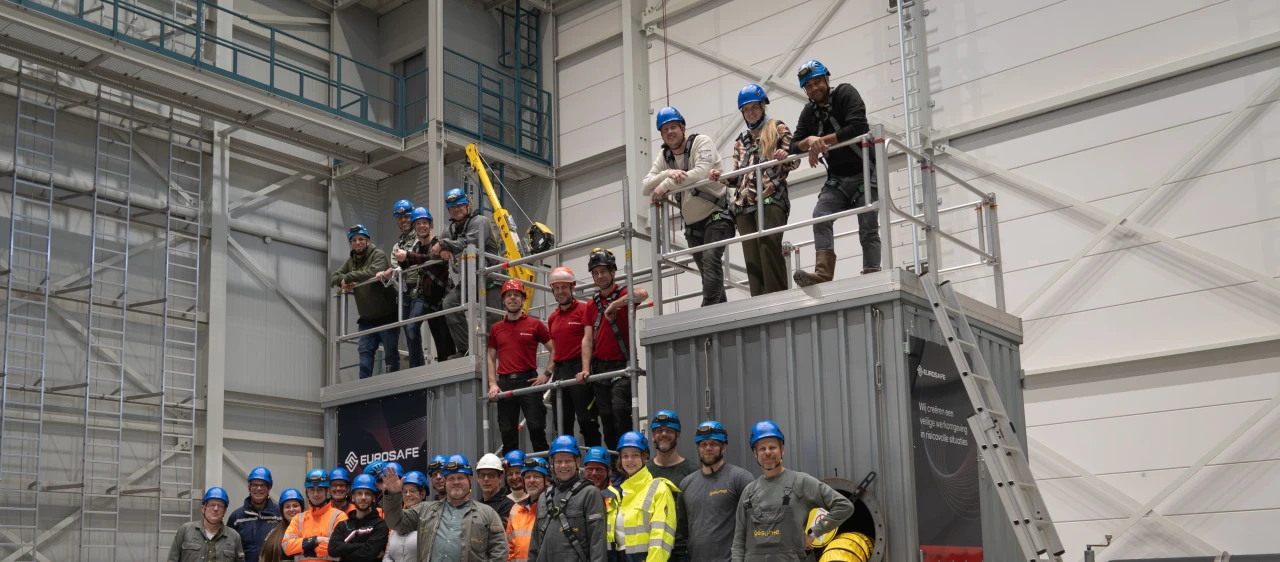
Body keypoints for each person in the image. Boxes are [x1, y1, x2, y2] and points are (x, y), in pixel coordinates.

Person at [789, 60, 880, 286]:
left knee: (868, 226)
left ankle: (872, 273)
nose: (814, 88)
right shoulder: (809, 112)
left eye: (817, 82)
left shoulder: (845, 93)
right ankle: (823, 273)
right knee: (821, 217)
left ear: (827, 79)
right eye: (808, 86)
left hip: (864, 173)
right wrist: (809, 141)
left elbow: (858, 126)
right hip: (837, 179)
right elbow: (793, 145)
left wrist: (820, 141)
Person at [642, 106, 733, 307]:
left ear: (683, 127)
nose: (670, 132)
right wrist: (668, 173)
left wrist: (665, 185)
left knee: (711, 261)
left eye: (673, 127)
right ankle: (721, 313)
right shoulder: (665, 157)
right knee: (708, 272)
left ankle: (707, 310)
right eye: (665, 130)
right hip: (693, 225)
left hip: (716, 215)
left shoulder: (701, 142)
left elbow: (701, 172)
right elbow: (645, 186)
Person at [731, 421, 855, 562]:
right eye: (762, 449)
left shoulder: (801, 482)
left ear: (782, 449)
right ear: (755, 453)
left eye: (772, 447)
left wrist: (814, 534)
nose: (767, 452)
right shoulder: (749, 491)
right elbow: (739, 540)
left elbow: (844, 506)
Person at [722, 84, 799, 296]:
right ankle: (758, 303)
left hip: (770, 198)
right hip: (745, 206)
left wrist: (785, 155)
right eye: (746, 109)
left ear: (763, 106)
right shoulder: (741, 142)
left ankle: (777, 300)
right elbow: (737, 177)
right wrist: (719, 178)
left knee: (768, 249)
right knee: (752, 258)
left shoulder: (778, 128)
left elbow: (795, 161)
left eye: (754, 107)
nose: (751, 112)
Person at [380, 455, 509, 562]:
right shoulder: (425, 510)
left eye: (460, 477)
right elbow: (396, 522)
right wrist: (393, 495)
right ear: (445, 482)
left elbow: (499, 552)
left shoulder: (488, 514)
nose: (456, 482)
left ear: (470, 480)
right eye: (451, 478)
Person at [582, 248, 647, 453]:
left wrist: (615, 305)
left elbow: (643, 294)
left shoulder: (624, 294)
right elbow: (587, 338)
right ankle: (615, 463)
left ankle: (628, 455)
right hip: (600, 368)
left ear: (613, 272)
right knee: (606, 418)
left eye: (604, 271)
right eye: (596, 273)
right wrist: (585, 369)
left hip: (622, 364)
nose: (600, 276)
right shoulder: (591, 304)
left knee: (620, 411)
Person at [486, 278, 553, 454]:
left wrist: (546, 374)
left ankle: (543, 474)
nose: (513, 298)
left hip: (530, 382)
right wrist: (493, 383)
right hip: (505, 384)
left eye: (517, 295)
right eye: (509, 295)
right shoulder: (496, 328)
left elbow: (555, 349)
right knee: (507, 433)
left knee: (537, 428)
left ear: (523, 299)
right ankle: (511, 477)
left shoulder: (535, 324)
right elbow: (491, 357)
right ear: (503, 300)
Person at [435, 188, 503, 358]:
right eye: (453, 207)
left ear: (467, 205)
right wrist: (441, 250)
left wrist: (443, 244)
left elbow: (469, 243)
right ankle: (464, 349)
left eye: (460, 206)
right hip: (469, 280)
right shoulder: (450, 230)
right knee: (449, 304)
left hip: (491, 277)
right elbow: (432, 247)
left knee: (493, 318)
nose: (457, 209)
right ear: (448, 210)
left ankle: (493, 356)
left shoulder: (480, 221)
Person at [384, 206, 456, 364]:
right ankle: (421, 367)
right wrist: (401, 264)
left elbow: (431, 259)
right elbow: (410, 266)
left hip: (441, 297)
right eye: (418, 224)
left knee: (445, 339)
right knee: (432, 335)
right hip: (428, 298)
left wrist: (408, 256)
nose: (422, 226)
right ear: (414, 227)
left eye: (425, 223)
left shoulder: (437, 244)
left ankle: (448, 364)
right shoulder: (416, 247)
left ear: (430, 225)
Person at [331, 224, 400, 378]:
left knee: (391, 353)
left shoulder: (378, 254)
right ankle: (363, 385)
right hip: (367, 318)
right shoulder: (351, 261)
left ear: (368, 241)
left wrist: (348, 277)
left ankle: (394, 382)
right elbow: (333, 278)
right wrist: (344, 280)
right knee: (364, 352)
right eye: (354, 240)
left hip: (387, 315)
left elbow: (372, 271)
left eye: (361, 239)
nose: (357, 242)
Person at [679, 421, 754, 562]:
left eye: (713, 444)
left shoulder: (740, 478)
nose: (708, 448)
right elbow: (684, 529)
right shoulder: (686, 484)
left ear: (723, 447)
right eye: (703, 444)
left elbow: (754, 524)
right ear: (698, 447)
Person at [545, 266, 601, 447]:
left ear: (572, 287)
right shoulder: (552, 318)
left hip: (579, 368)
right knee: (561, 425)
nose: (560, 291)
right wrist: (547, 374)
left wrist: (586, 368)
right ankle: (566, 465)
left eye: (564, 287)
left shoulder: (584, 309)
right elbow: (555, 350)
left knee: (587, 421)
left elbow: (590, 340)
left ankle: (597, 462)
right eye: (556, 288)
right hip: (560, 372)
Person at [529, 435, 607, 562]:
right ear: (552, 464)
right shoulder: (544, 497)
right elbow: (535, 545)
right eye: (559, 461)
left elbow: (597, 542)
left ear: (577, 462)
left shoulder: (590, 494)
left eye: (568, 461)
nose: (563, 465)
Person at [609, 432, 677, 562]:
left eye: (634, 455)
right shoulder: (615, 493)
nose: (629, 460)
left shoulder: (659, 489)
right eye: (625, 456)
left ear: (644, 457)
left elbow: (661, 539)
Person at [376, 199, 427, 367]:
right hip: (405, 292)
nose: (404, 220)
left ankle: (417, 368)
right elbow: (395, 266)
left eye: (407, 216)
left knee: (413, 328)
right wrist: (386, 274)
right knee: (408, 330)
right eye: (400, 218)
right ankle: (416, 367)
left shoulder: (422, 237)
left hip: (421, 288)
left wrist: (405, 260)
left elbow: (423, 258)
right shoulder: (398, 245)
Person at [645, 411, 700, 562]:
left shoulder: (692, 471)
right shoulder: (644, 472)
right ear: (652, 435)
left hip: (682, 551)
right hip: (651, 550)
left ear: (678, 436)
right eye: (659, 431)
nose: (664, 434)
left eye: (669, 431)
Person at [284, 469, 349, 561]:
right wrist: (316, 540)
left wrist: (302, 548)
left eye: (320, 489)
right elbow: (287, 547)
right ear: (307, 492)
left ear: (327, 491)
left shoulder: (339, 516)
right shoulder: (298, 518)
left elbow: (336, 546)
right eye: (311, 489)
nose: (316, 494)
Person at [167, 487, 245, 562]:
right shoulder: (185, 530)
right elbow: (172, 559)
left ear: (224, 511)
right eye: (212, 505)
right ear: (203, 508)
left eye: (220, 506)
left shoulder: (234, 537)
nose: (216, 509)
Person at [329, 475, 389, 562]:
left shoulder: (380, 525)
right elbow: (332, 549)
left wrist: (343, 556)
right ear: (353, 497)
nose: (363, 497)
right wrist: (363, 545)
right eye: (359, 493)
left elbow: (368, 555)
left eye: (367, 493)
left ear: (373, 498)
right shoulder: (343, 525)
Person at [228, 467, 283, 562]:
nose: (258, 488)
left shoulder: (280, 514)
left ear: (269, 488)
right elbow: (229, 547)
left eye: (263, 485)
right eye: (255, 485)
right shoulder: (236, 517)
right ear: (249, 487)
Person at [506, 457, 549, 562]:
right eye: (528, 477)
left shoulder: (553, 507)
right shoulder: (516, 509)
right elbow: (508, 547)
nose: (531, 480)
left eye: (536, 476)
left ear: (547, 480)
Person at [383, 471, 427, 562]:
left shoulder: (429, 516)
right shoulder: (397, 517)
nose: (407, 495)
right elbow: (388, 554)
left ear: (422, 493)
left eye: (412, 491)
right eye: (404, 491)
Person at [261, 488, 304, 562]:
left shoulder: (311, 530)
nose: (291, 509)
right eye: (287, 506)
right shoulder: (273, 535)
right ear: (282, 511)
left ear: (302, 508)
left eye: (295, 505)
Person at [477, 453, 516, 526]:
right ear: (478, 479)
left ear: (500, 478)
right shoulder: (477, 505)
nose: (486, 479)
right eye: (482, 475)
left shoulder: (508, 506)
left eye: (491, 475)